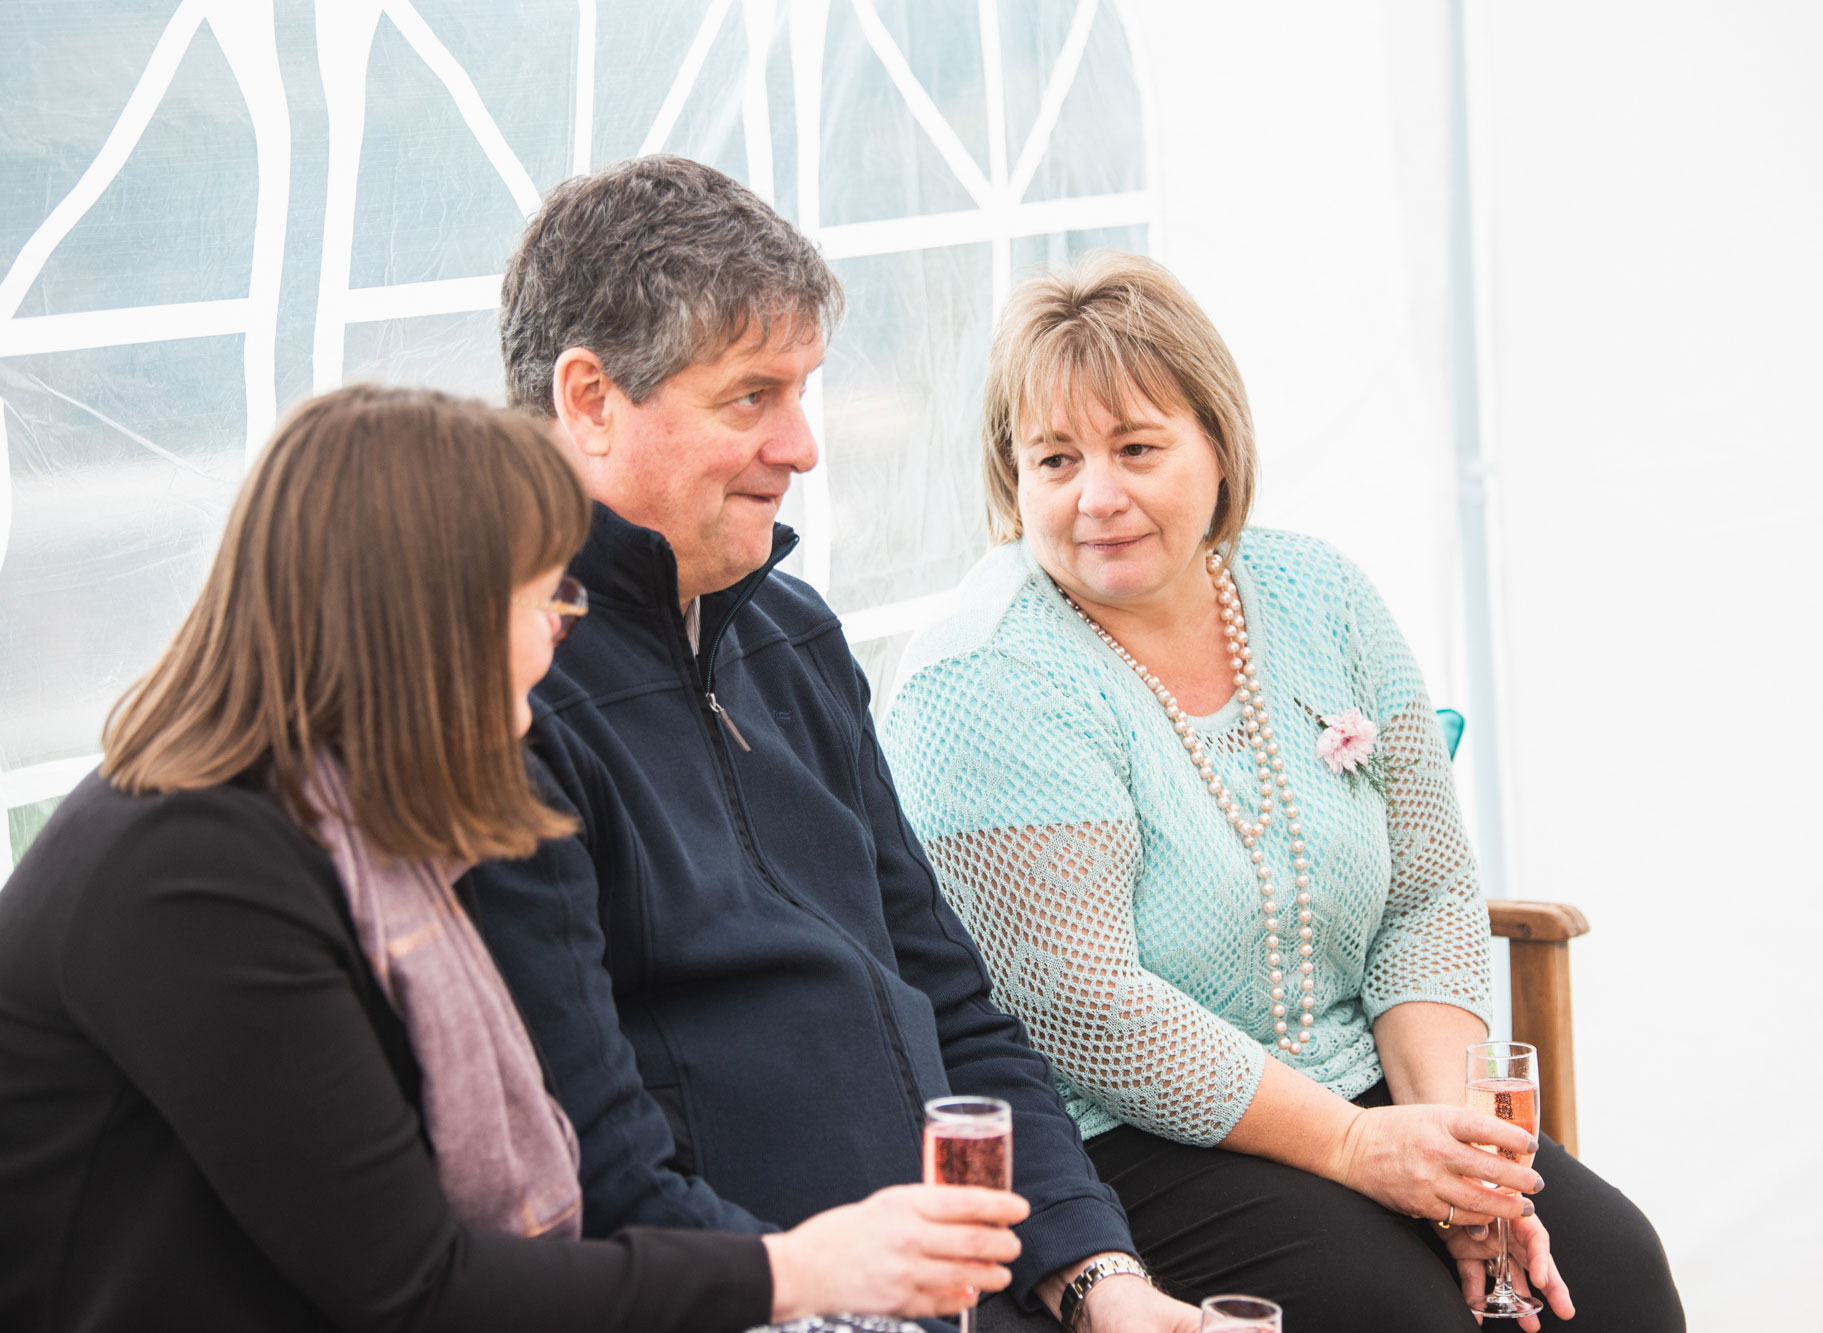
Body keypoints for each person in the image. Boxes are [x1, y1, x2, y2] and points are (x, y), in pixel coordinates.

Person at [0, 385, 1029, 1333]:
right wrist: (792, 1271)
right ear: (425, 618)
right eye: (542, 600)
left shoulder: (338, 830)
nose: (554, 642)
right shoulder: (193, 875)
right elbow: (415, 1285)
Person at [880, 253, 1686, 1331]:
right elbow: (1089, 1013)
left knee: (1614, 1273)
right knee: (1403, 1317)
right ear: (1009, 476)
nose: (1096, 495)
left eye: (1135, 448)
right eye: (1054, 459)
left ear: (1218, 444)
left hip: (1373, 1089)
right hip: (1127, 1138)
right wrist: (1360, 1148)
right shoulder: (982, 678)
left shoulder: (1321, 597)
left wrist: (1455, 1158)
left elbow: (1425, 892)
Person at [471, 156, 1195, 1333]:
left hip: (955, 1289)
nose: (802, 447)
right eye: (750, 398)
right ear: (590, 400)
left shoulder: (791, 636)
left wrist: (1097, 1273)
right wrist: (822, 1289)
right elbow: (593, 1166)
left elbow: (956, 1006)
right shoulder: (512, 700)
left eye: (803, 390)